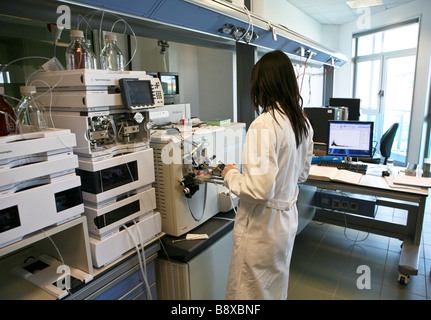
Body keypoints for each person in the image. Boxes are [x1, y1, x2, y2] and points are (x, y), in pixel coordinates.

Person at [222, 50, 314, 300]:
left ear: (264, 84)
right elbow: (302, 175)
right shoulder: (302, 123)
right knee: (273, 290)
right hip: (285, 224)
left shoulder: (264, 124)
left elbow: (260, 190)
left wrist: (230, 174)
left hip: (262, 229)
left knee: (249, 294)